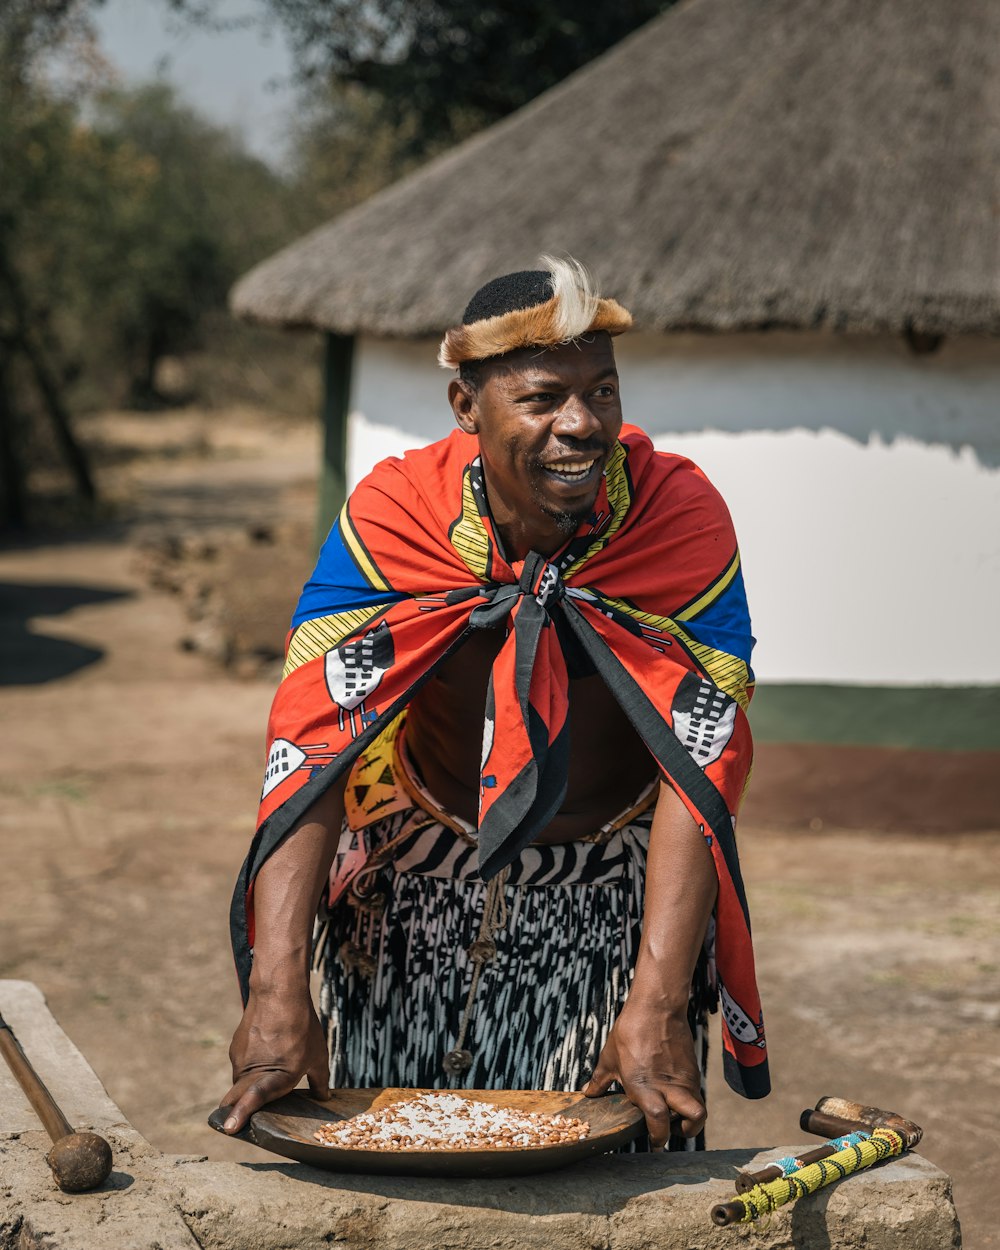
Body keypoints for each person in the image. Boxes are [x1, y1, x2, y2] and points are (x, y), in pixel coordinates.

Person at [220, 257, 769, 1151]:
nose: (582, 424)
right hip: (410, 898)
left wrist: (659, 996)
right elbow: (315, 741)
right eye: (544, 397)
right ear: (467, 410)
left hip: (618, 908)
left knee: (603, 1196)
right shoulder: (396, 516)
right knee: (392, 1174)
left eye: (602, 390)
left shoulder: (676, 517)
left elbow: (701, 757)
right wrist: (279, 989)